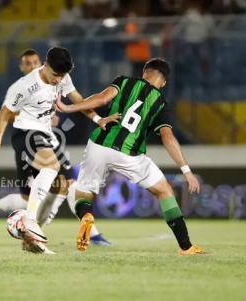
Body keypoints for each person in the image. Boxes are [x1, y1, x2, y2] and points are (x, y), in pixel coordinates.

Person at [54, 58, 208, 255]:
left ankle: (86, 217)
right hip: (130, 154)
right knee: (164, 192)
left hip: (99, 144)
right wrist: (186, 171)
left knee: (83, 194)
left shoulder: (124, 81)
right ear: (163, 82)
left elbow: (101, 99)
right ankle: (186, 247)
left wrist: (68, 108)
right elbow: (168, 137)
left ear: (145, 73)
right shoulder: (160, 102)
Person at [0, 46, 120, 253]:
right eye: (55, 75)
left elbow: (78, 100)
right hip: (25, 134)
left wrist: (97, 118)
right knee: (52, 166)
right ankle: (28, 220)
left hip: (44, 135)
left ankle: (33, 240)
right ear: (45, 65)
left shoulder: (62, 77)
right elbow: (5, 113)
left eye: (63, 76)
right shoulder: (26, 85)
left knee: (61, 186)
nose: (59, 80)